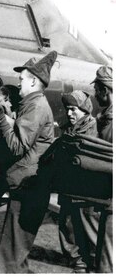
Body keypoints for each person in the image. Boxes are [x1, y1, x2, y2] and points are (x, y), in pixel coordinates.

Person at [0, 51, 57, 273]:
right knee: (18, 247)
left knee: (10, 252)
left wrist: (0, 119)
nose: (19, 84)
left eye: (22, 80)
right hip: (30, 181)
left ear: (34, 81)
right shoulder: (32, 103)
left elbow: (17, 146)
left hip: (29, 183)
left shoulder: (35, 106)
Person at [57, 90, 98, 273]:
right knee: (67, 224)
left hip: (85, 188)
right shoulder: (67, 129)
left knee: (88, 226)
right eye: (67, 109)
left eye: (73, 109)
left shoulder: (94, 129)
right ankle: (77, 260)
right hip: (67, 185)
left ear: (84, 109)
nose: (69, 113)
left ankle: (93, 261)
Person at [91, 65, 112, 273]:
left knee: (108, 262)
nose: (95, 95)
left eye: (97, 90)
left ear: (104, 90)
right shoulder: (105, 116)